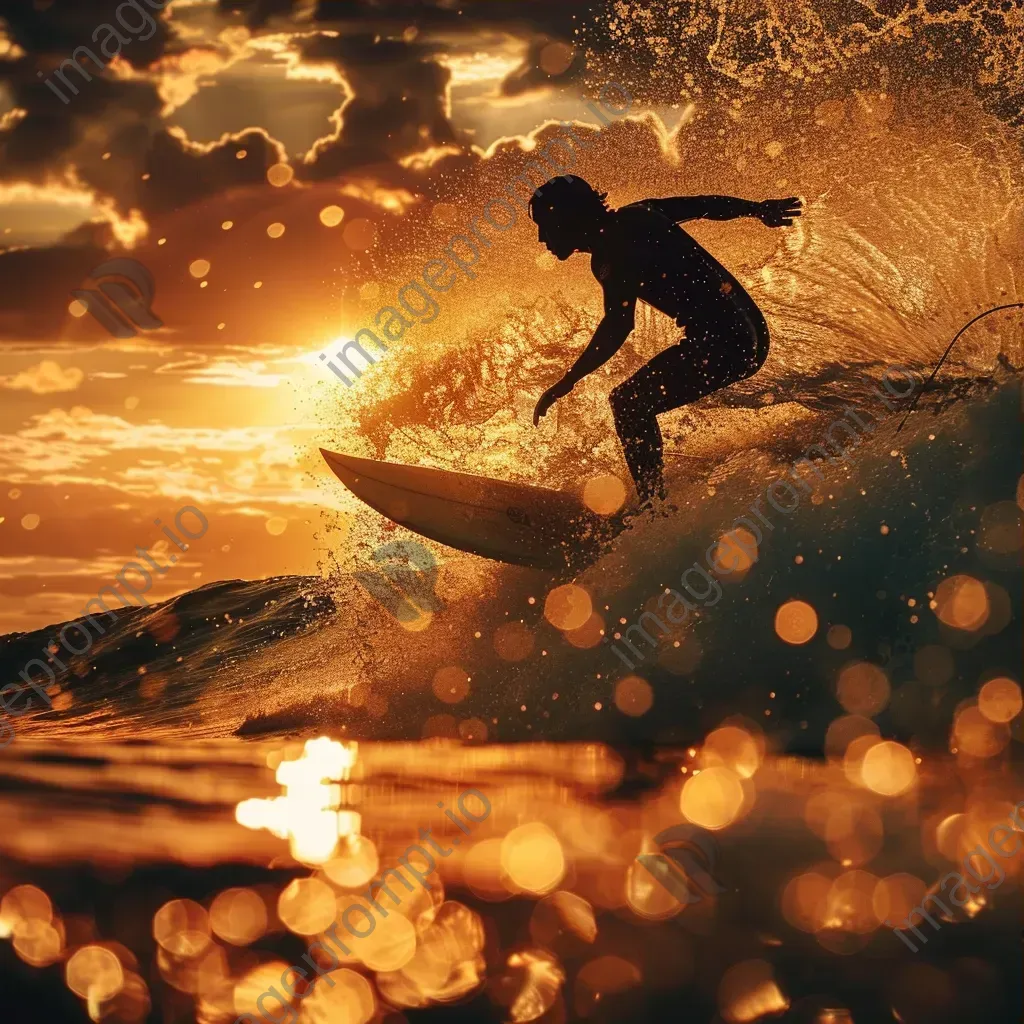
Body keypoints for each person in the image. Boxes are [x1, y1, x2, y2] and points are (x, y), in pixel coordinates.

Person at [530, 175, 801, 506]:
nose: (542, 237)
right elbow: (703, 204)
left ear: (570, 217)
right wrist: (756, 209)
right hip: (749, 333)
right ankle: (655, 499)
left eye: (547, 225)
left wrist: (567, 381)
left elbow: (618, 324)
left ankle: (654, 509)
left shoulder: (613, 249)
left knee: (629, 402)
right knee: (633, 400)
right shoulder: (638, 213)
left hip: (726, 343)